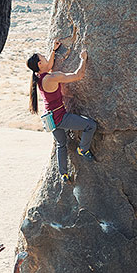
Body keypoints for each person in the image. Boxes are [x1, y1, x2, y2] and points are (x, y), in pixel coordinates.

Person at [27, 27, 96, 184]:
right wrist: (83, 59)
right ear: (39, 63)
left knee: (61, 144)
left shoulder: (38, 77)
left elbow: (48, 66)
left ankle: (63, 174)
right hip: (60, 117)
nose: (46, 58)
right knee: (90, 125)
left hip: (50, 118)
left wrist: (53, 51)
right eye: (43, 58)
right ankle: (83, 149)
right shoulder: (52, 78)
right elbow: (79, 75)